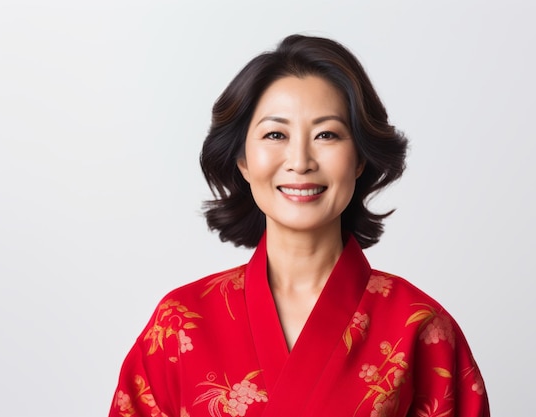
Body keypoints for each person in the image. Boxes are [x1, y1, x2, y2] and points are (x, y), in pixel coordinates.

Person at [109, 34, 490, 417]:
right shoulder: (179, 325)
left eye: (327, 134)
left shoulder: (420, 327)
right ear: (242, 159)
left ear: (359, 158)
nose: (300, 160)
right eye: (276, 134)